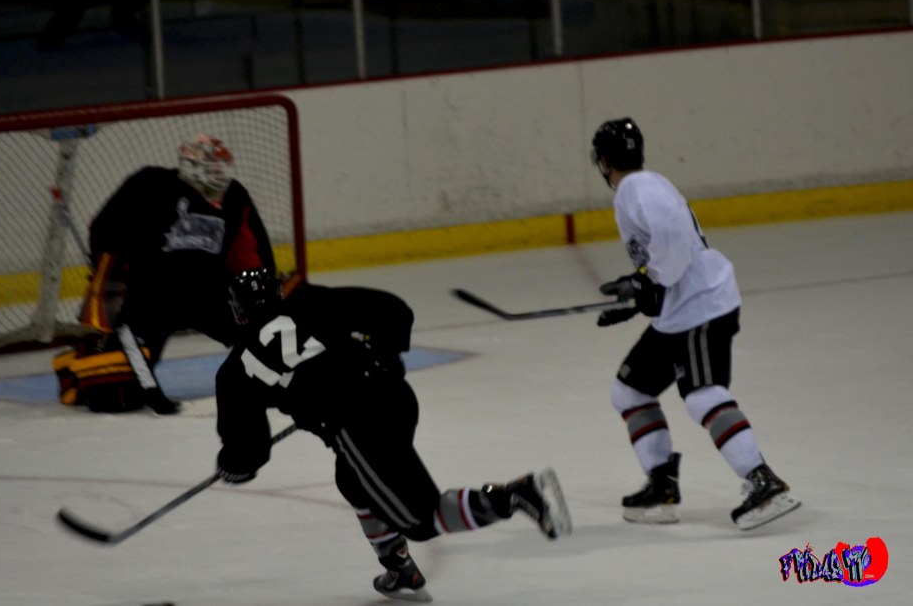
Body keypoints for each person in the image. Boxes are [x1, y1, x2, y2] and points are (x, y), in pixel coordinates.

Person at [213, 268, 573, 602]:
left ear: (238, 310)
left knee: (420, 520)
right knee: (352, 480)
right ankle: (400, 570)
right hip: (396, 398)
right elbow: (393, 310)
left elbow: (248, 448)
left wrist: (233, 465)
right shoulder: (309, 301)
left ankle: (517, 494)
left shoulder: (234, 371)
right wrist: (385, 353)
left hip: (358, 425)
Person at [589, 117, 801, 530]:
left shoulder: (636, 187)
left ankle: (763, 480)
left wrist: (644, 281)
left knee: (702, 394)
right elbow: (668, 253)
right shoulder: (644, 186)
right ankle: (661, 485)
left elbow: (672, 244)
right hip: (681, 311)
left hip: (703, 305)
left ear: (602, 160)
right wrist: (643, 296)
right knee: (630, 390)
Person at [53, 134, 277, 415]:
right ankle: (77, 365)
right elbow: (104, 229)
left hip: (209, 292)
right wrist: (116, 279)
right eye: (213, 169)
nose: (221, 177)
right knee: (115, 396)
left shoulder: (234, 197)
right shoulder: (151, 185)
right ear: (192, 168)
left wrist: (263, 308)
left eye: (223, 169)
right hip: (152, 295)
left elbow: (248, 254)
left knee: (280, 346)